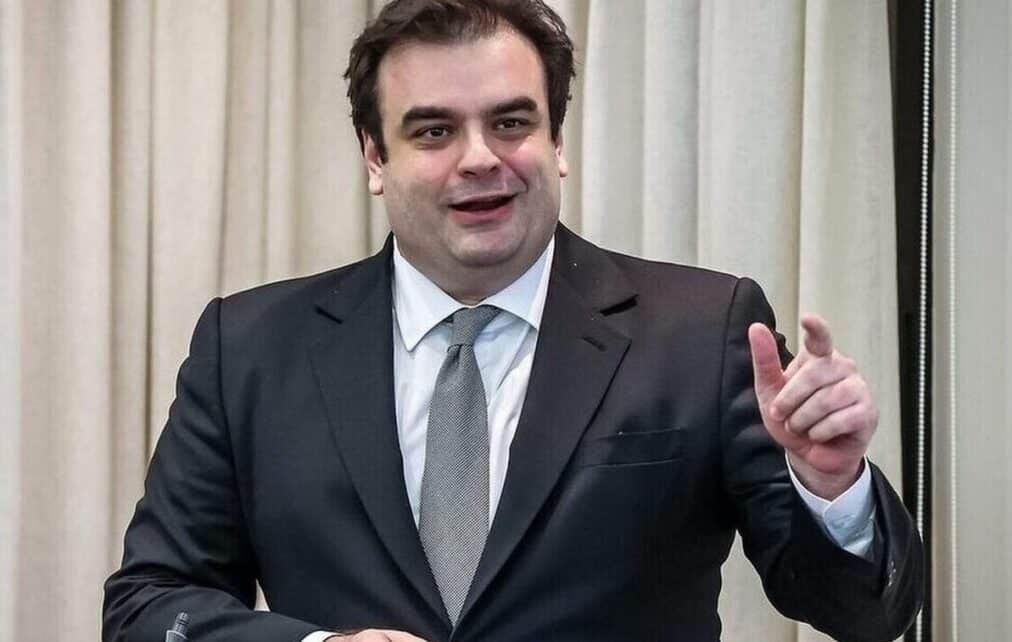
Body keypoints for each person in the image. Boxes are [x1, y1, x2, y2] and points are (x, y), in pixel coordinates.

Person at [102, 1, 923, 641]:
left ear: (556, 140)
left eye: (511, 122)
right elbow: (149, 605)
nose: (479, 158)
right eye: (433, 130)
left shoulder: (703, 333)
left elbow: (863, 614)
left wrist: (833, 489)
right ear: (375, 157)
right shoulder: (249, 348)